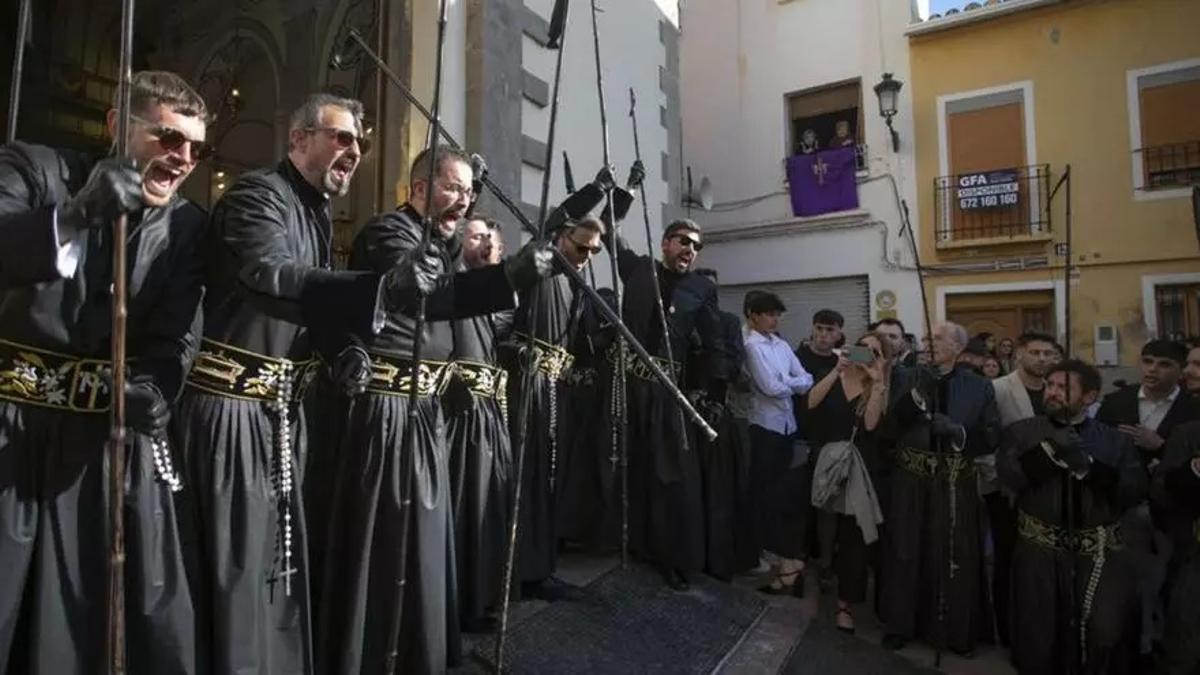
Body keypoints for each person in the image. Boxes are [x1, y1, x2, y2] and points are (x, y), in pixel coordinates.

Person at [177, 92, 408, 674]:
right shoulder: (258, 196)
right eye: (341, 136)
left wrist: (344, 349)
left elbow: (311, 310)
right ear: (299, 138)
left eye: (360, 142)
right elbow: (270, 274)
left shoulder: (315, 211)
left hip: (280, 417)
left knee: (274, 562)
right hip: (231, 413)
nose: (354, 150)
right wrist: (375, 290)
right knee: (234, 565)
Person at [313, 145, 552, 673]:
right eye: (451, 189)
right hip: (385, 411)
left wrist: (475, 204)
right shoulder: (389, 234)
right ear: (419, 189)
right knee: (388, 536)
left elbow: (456, 263)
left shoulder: (440, 243)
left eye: (468, 193)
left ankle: (419, 650)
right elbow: (430, 293)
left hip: (424, 411)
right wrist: (509, 276)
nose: (462, 202)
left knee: (423, 538)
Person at [0, 70, 208, 674]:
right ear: (118, 125)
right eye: (169, 138)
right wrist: (75, 215)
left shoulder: (187, 226)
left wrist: (157, 386)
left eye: (195, 148)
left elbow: (176, 334)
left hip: (103, 447)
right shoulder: (34, 169)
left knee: (107, 622)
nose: (183, 158)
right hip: (12, 432)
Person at [997, 360, 1145, 674]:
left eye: (1063, 387)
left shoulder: (1115, 440)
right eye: (1050, 385)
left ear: (1089, 397)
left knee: (1101, 631)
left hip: (1097, 554)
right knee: (1040, 633)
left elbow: (1132, 491)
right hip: (1039, 551)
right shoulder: (1021, 432)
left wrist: (1088, 465)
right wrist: (1049, 452)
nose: (1052, 392)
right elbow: (1011, 477)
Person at [612, 217, 728, 590]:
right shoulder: (639, 269)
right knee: (629, 465)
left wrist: (714, 395)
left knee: (670, 474)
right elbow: (611, 232)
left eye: (696, 246)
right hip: (627, 386)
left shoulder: (701, 288)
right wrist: (621, 195)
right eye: (683, 241)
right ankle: (632, 543)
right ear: (665, 243)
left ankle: (671, 556)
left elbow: (714, 345)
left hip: (667, 392)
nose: (690, 250)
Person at [504, 210, 607, 601]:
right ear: (560, 236)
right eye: (581, 247)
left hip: (557, 390)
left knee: (550, 480)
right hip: (525, 386)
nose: (587, 257)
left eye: (595, 251)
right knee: (526, 479)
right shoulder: (539, 264)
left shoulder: (576, 281)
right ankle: (516, 570)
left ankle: (540, 568)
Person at [880, 321, 999, 656]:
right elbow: (889, 426)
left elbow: (991, 435)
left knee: (952, 554)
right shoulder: (906, 377)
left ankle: (954, 631)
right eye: (927, 337)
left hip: (955, 481)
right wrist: (919, 394)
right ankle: (901, 625)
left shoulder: (979, 386)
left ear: (958, 348)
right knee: (905, 550)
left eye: (938, 338)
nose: (929, 342)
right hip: (911, 480)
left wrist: (958, 432)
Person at [443, 216, 515, 633]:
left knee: (486, 511)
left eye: (491, 239)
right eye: (475, 237)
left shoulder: (494, 297)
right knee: (459, 510)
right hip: (456, 419)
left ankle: (481, 598)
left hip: (488, 416)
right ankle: (453, 604)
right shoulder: (451, 284)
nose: (484, 243)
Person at [807, 332, 891, 634]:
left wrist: (877, 381)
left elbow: (870, 424)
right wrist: (836, 369)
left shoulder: (877, 387)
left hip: (859, 469)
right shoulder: (834, 374)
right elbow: (811, 402)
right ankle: (823, 571)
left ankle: (845, 605)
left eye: (874, 351)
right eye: (862, 347)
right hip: (827, 465)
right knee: (824, 527)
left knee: (854, 537)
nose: (866, 353)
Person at [987, 331, 1058, 646]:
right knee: (1008, 558)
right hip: (1007, 490)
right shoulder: (998, 389)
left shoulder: (1057, 389)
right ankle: (1007, 627)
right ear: (1019, 354)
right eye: (1035, 352)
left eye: (1047, 353)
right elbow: (990, 439)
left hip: (1048, 490)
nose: (1041, 359)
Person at [745, 293, 815, 596]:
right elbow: (770, 387)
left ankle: (782, 556)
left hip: (787, 427)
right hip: (764, 428)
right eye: (769, 314)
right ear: (753, 315)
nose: (775, 320)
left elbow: (807, 379)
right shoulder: (752, 346)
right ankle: (764, 553)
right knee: (764, 494)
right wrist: (792, 383)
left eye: (777, 314)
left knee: (783, 493)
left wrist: (788, 382)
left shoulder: (781, 345)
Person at [791, 308, 845, 591]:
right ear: (812, 328)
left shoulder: (842, 362)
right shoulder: (796, 357)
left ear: (839, 333)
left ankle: (826, 563)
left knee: (827, 507)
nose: (823, 335)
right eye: (819, 328)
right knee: (799, 504)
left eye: (830, 330)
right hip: (800, 438)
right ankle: (795, 561)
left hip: (831, 441)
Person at [1097, 339, 1197, 466]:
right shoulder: (1115, 401)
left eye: (1164, 365)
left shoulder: (1193, 407)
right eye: (1147, 362)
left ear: (1181, 371)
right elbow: (1096, 444)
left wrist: (1161, 446)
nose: (1152, 369)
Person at [1155, 417, 1200, 674]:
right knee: (1184, 650)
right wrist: (1194, 470)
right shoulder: (1188, 434)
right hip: (1193, 559)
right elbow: (1161, 494)